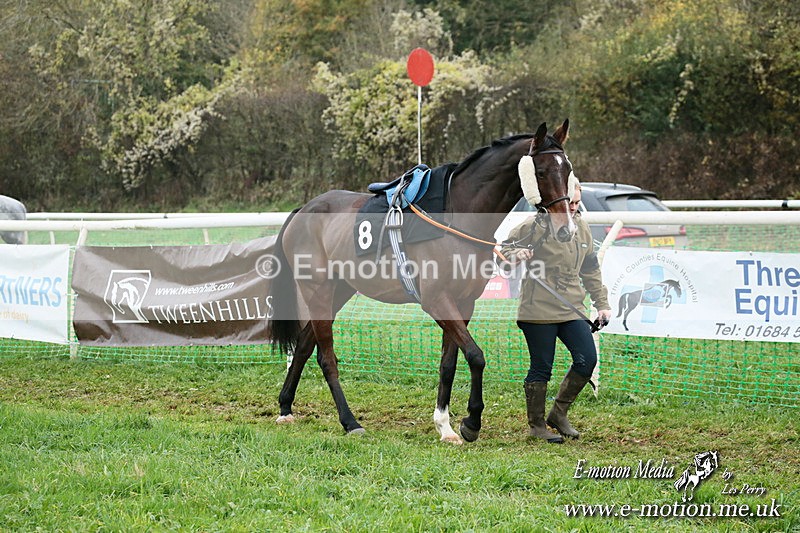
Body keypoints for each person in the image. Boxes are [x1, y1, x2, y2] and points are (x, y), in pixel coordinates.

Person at [500, 182, 612, 443]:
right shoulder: (533, 225)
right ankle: (537, 426)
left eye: (576, 203)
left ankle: (558, 414)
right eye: (568, 203)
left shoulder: (581, 227)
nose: (571, 208)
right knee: (542, 367)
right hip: (537, 308)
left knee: (587, 360)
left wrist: (601, 303)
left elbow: (591, 269)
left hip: (572, 306)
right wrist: (518, 253)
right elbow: (502, 252)